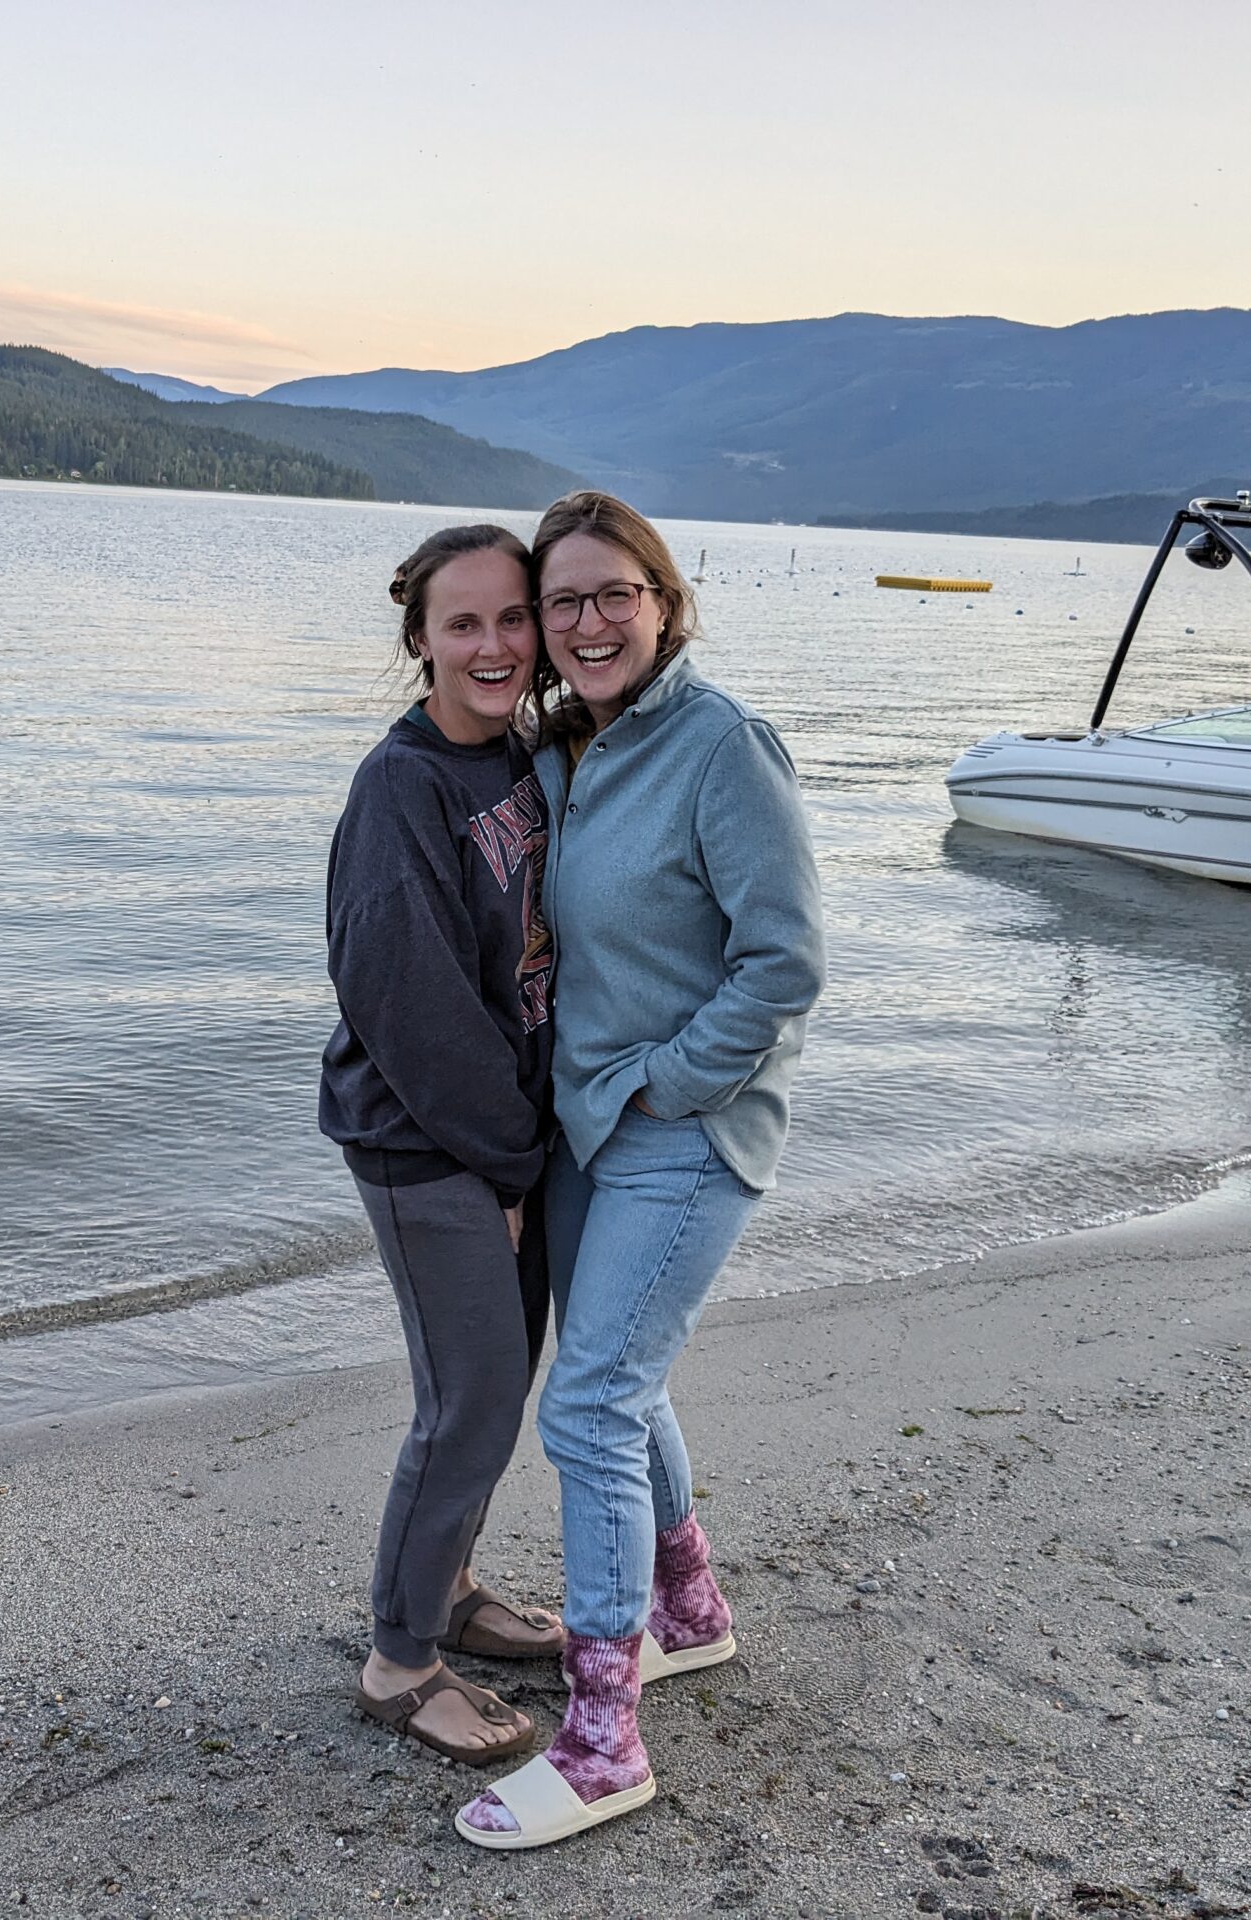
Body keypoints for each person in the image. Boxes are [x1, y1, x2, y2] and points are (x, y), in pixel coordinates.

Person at [456, 492, 824, 1849]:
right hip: (589, 1125)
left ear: (665, 603)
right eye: (563, 601)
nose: (589, 620)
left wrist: (671, 1080)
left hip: (683, 1126)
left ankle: (603, 1742)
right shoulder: (570, 750)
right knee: (617, 1379)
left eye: (616, 592)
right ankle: (688, 1610)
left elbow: (783, 963)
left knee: (590, 1407)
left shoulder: (723, 746)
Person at [319, 523, 566, 1766]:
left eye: (512, 617)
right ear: (418, 637)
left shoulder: (515, 756)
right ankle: (399, 1659)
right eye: (461, 623)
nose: (493, 645)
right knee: (466, 1402)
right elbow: (404, 998)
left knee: (495, 1388)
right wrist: (507, 1164)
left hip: (502, 1135)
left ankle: (451, 1589)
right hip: (426, 1143)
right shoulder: (400, 787)